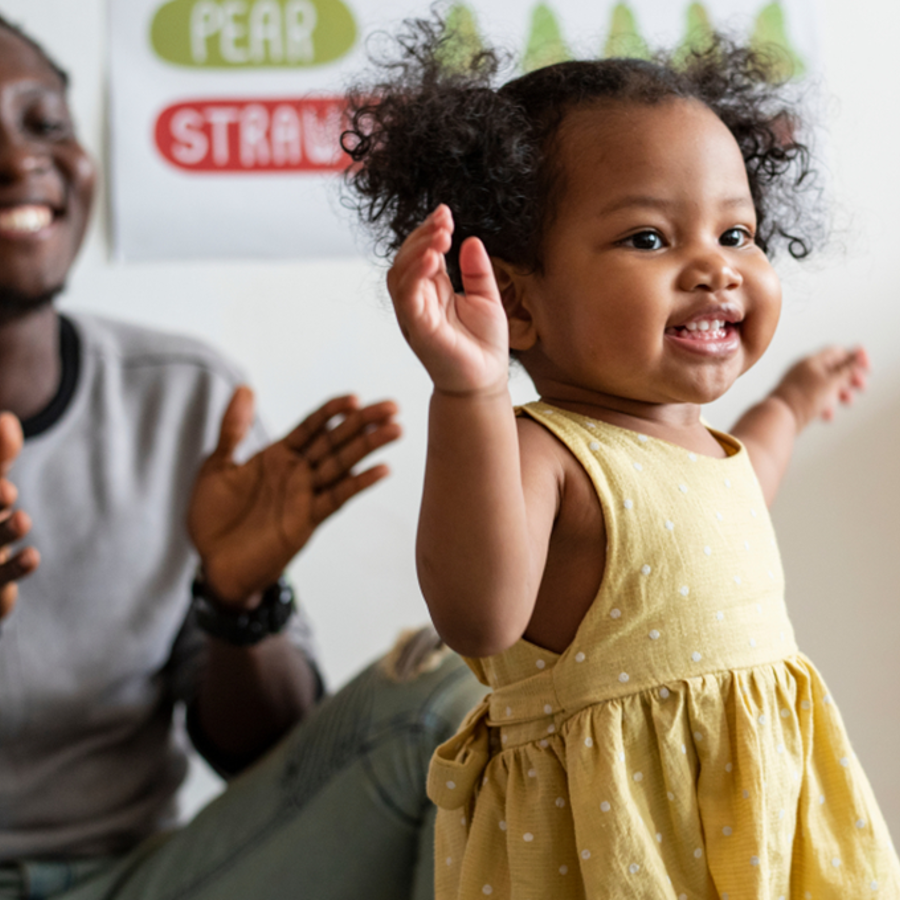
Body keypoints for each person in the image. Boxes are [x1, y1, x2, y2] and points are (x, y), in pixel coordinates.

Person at [342, 20, 900, 899]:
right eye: (649, 238)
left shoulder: (700, 449)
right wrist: (471, 393)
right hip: (619, 853)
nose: (715, 270)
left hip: (757, 841)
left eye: (737, 234)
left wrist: (791, 402)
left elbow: (744, 482)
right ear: (518, 303)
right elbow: (481, 616)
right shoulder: (546, 451)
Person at [0, 13, 483, 900]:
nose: (19, 162)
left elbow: (275, 766)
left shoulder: (182, 398)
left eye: (45, 125)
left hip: (145, 879)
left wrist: (237, 602)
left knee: (450, 698)